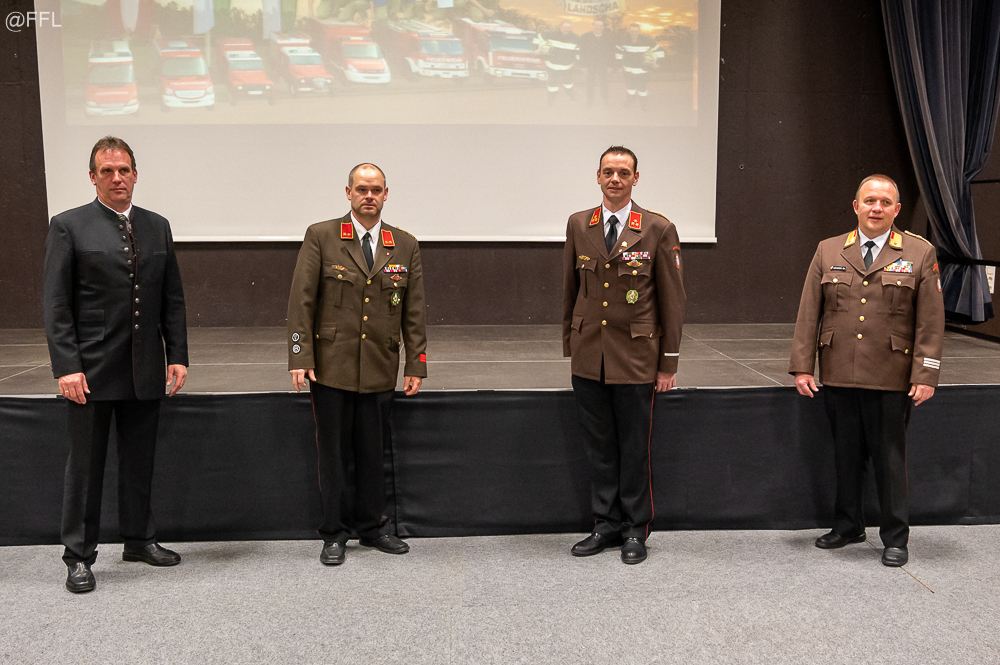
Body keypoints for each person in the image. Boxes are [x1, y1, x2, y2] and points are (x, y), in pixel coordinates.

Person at [43, 136, 189, 594]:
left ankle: (139, 540)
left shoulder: (157, 226)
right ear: (93, 177)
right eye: (107, 171)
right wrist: (66, 366)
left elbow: (172, 298)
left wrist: (177, 354)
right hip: (90, 370)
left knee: (139, 461)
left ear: (135, 174)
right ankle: (78, 556)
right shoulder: (69, 226)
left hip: (144, 366)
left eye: (124, 169)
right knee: (86, 468)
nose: (117, 178)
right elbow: (56, 304)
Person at [789, 174, 945, 567]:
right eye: (870, 200)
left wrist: (925, 374)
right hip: (839, 370)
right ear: (856, 206)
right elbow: (809, 312)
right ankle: (847, 526)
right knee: (845, 456)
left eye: (885, 202)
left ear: (897, 209)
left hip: (891, 374)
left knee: (889, 460)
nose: (877, 208)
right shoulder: (828, 250)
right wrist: (802, 367)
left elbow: (930, 322)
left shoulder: (919, 252)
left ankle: (895, 537)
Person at [287, 163, 427, 566]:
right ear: (348, 193)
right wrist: (300, 355)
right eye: (362, 189)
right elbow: (301, 301)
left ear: (386, 195)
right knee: (332, 455)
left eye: (376, 190)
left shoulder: (405, 244)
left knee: (371, 453)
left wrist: (416, 363)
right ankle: (334, 533)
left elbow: (414, 311)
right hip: (330, 366)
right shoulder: (322, 236)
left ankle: (371, 527)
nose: (369, 196)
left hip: (380, 365)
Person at [562, 145, 685, 564]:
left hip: (636, 357)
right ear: (598, 177)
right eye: (608, 172)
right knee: (598, 448)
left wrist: (668, 363)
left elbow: (673, 302)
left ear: (636, 179)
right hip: (589, 355)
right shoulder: (579, 223)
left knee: (634, 450)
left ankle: (635, 529)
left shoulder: (657, 228)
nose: (615, 179)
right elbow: (570, 289)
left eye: (623, 172)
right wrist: (571, 344)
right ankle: (605, 524)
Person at [615, 23, 662, 109]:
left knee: (642, 88)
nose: (634, 33)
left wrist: (658, 63)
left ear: (639, 31)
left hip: (643, 70)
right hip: (628, 69)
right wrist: (618, 66)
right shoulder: (623, 40)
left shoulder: (647, 40)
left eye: (636, 31)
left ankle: (643, 104)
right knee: (630, 87)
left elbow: (658, 50)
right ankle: (630, 100)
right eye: (632, 31)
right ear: (629, 31)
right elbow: (618, 52)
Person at [536, 20, 580, 104]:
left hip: (567, 66)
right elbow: (538, 37)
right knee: (552, 85)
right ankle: (550, 100)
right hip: (552, 65)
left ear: (570, 28)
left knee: (568, 83)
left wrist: (578, 63)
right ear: (560, 27)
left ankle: (572, 96)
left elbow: (578, 51)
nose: (566, 29)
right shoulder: (552, 34)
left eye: (568, 28)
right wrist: (535, 49)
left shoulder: (576, 38)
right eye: (564, 27)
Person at [579, 17, 614, 105]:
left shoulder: (609, 37)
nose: (598, 27)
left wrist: (610, 66)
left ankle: (605, 99)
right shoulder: (585, 37)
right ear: (593, 26)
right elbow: (581, 52)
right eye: (596, 25)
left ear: (603, 27)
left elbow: (611, 52)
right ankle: (590, 100)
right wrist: (583, 66)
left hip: (603, 65)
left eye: (600, 26)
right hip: (590, 65)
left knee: (604, 83)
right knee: (590, 83)